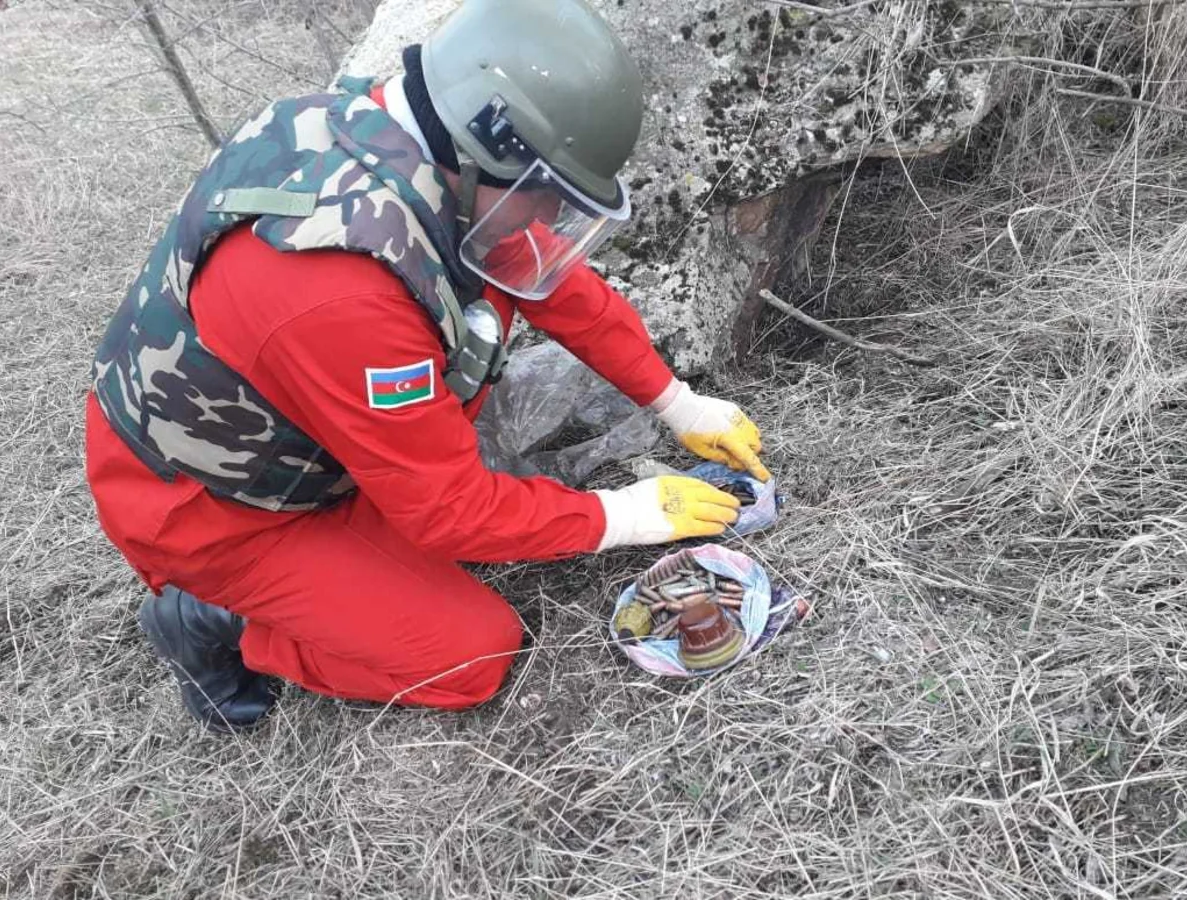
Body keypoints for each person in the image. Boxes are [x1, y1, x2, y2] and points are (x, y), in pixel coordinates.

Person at [86, 0, 772, 732]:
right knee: (469, 653)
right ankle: (209, 618)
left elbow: (559, 289)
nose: (544, 220)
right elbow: (448, 512)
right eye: (544, 197)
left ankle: (361, 536)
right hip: (213, 512)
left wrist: (677, 402)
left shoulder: (408, 148)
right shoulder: (339, 291)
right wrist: (622, 516)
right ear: (492, 152)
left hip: (306, 431)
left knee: (462, 486)